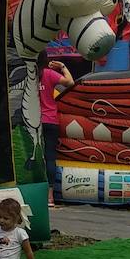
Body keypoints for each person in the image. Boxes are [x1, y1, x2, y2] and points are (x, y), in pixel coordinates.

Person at [38, 51, 74, 207]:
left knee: (34, 157)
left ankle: (35, 194)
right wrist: (62, 66)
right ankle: (50, 197)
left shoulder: (29, 75)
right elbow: (70, 82)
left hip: (34, 121)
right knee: (50, 157)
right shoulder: (49, 74)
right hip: (50, 120)